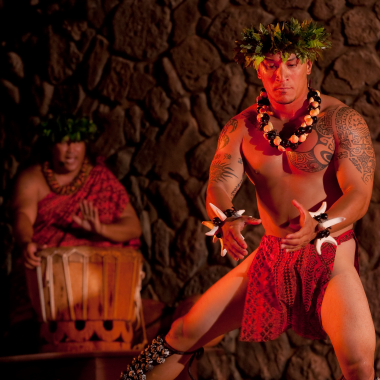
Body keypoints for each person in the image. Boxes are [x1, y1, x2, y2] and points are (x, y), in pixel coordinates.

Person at [120, 19, 377, 380]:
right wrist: (225, 218)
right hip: (272, 257)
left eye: (290, 64)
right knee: (183, 332)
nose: (281, 75)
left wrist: (319, 225)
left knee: (358, 364)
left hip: (330, 256)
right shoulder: (241, 128)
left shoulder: (342, 121)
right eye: (270, 65)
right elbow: (220, 184)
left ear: (308, 65)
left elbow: (359, 194)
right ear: (258, 69)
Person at [12, 115, 141, 268]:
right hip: (47, 272)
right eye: (64, 142)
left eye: (77, 141)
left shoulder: (102, 179)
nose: (71, 150)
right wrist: (26, 242)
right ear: (51, 145)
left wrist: (101, 229)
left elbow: (134, 227)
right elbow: (24, 214)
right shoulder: (32, 179)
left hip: (98, 276)